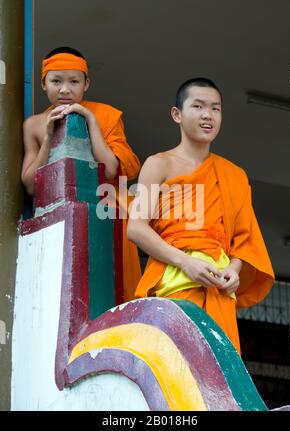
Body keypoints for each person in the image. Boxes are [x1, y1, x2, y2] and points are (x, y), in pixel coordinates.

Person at [127, 77, 274, 354]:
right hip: (175, 281)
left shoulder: (234, 175)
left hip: (218, 287)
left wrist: (233, 270)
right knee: (177, 366)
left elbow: (244, 239)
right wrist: (186, 263)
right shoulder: (159, 165)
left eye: (216, 109)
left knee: (219, 373)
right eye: (198, 106)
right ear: (177, 114)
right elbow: (136, 228)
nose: (208, 115)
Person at [21, 46, 141, 301]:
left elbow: (111, 168)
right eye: (56, 81)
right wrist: (48, 138)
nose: (65, 89)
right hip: (57, 216)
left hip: (107, 213)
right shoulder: (33, 124)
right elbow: (31, 185)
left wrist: (91, 121)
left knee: (113, 291)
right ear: (43, 84)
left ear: (86, 83)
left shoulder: (105, 115)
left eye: (74, 81)